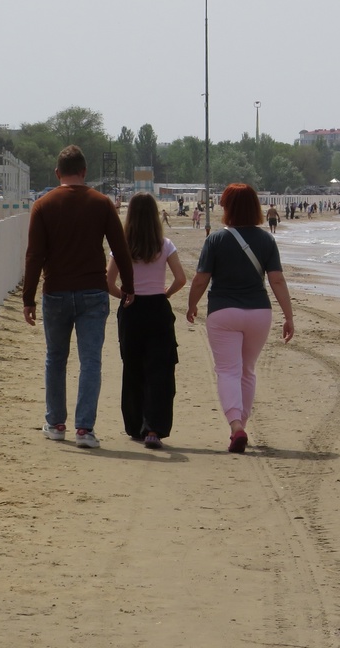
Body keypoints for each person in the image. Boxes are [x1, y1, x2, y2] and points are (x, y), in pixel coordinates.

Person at [23, 144, 134, 449]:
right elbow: (120, 248)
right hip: (93, 292)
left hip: (56, 291)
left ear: (57, 173)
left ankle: (56, 423)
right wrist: (129, 287)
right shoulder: (101, 203)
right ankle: (84, 429)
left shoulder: (43, 206)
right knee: (90, 362)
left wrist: (28, 298)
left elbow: (34, 255)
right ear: (84, 172)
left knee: (56, 359)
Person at [186, 183, 295, 453]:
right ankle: (240, 429)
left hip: (224, 312)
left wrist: (191, 305)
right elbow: (277, 280)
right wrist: (288, 316)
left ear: (229, 207)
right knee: (247, 371)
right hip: (259, 312)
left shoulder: (216, 240)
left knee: (227, 370)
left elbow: (201, 279)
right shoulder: (266, 240)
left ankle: (236, 427)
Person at [107, 192, 186, 449]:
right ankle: (154, 427)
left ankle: (134, 425)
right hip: (158, 309)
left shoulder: (122, 245)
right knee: (159, 369)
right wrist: (167, 293)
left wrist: (125, 295)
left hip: (132, 310)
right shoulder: (164, 244)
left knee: (133, 368)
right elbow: (180, 278)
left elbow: (107, 282)